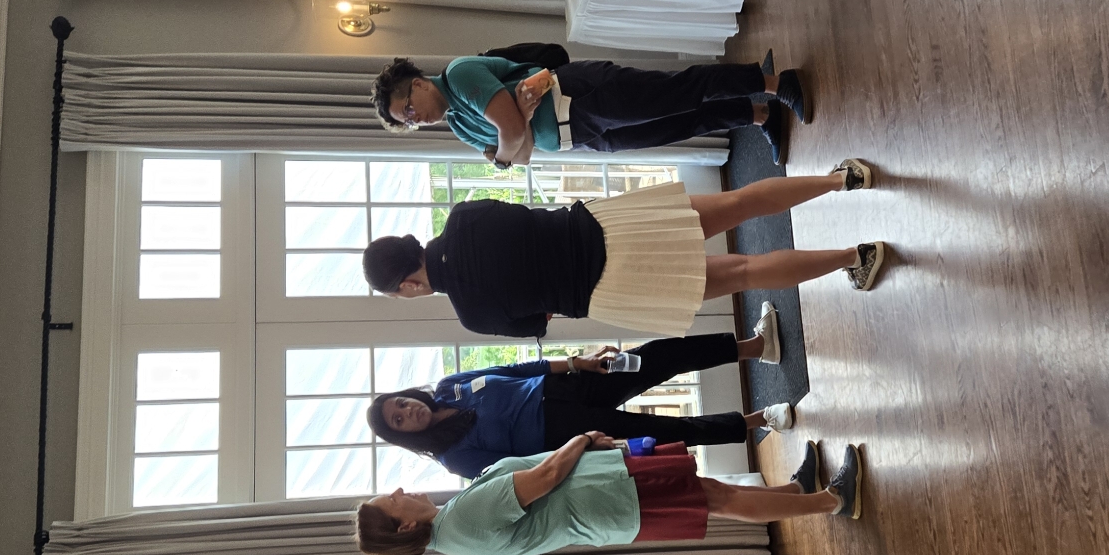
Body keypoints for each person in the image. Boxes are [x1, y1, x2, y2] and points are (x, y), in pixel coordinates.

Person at [359, 165, 886, 340]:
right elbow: (521, 214)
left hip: (610, 288)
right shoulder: (463, 217)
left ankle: (853, 256)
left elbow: (541, 319)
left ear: (407, 285)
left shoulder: (472, 315)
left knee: (744, 273)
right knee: (739, 203)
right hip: (604, 227)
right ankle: (843, 179)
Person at [368, 318, 797, 481]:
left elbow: (517, 370)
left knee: (658, 357)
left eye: (400, 404)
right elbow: (522, 469)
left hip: (564, 387)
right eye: (399, 420)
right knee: (667, 431)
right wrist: (582, 452)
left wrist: (577, 362)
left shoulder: (450, 386)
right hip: (564, 433)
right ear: (404, 436)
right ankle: (761, 419)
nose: (408, 412)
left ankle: (757, 346)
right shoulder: (454, 458)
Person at [355, 434, 866, 555]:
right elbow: (547, 475)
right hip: (611, 496)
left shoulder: (455, 534)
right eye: (393, 501)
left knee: (714, 492)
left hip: (609, 502)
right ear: (404, 527)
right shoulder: (464, 518)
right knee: (715, 496)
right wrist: (580, 439)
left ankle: (796, 491)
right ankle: (830, 501)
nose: (401, 491)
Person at [372, 51, 806, 167]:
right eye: (407, 123)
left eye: (407, 110)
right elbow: (521, 155)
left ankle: (772, 83)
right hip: (579, 135)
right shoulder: (459, 125)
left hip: (579, 97)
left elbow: (512, 139)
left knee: (678, 92)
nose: (415, 120)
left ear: (418, 84)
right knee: (675, 125)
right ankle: (758, 115)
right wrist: (519, 123)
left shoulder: (460, 76)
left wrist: (513, 134)